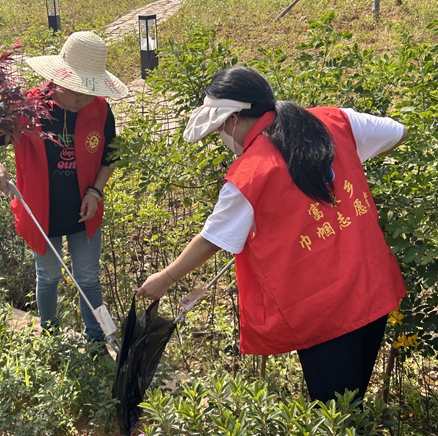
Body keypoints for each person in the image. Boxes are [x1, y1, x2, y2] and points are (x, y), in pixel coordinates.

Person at [136, 66, 408, 403]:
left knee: (334, 415)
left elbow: (212, 239)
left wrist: (165, 278)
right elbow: (398, 131)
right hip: (370, 288)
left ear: (235, 118)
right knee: (353, 400)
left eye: (221, 125)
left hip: (324, 311)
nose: (222, 133)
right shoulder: (333, 121)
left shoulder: (251, 172)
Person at [0, 31, 128, 343]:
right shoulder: (26, 107)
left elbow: (112, 153)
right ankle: (50, 335)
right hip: (41, 209)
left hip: (85, 209)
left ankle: (97, 338)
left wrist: (96, 191)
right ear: (58, 77)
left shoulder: (98, 109)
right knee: (49, 275)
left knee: (87, 277)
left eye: (89, 89)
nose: (83, 98)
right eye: (77, 90)